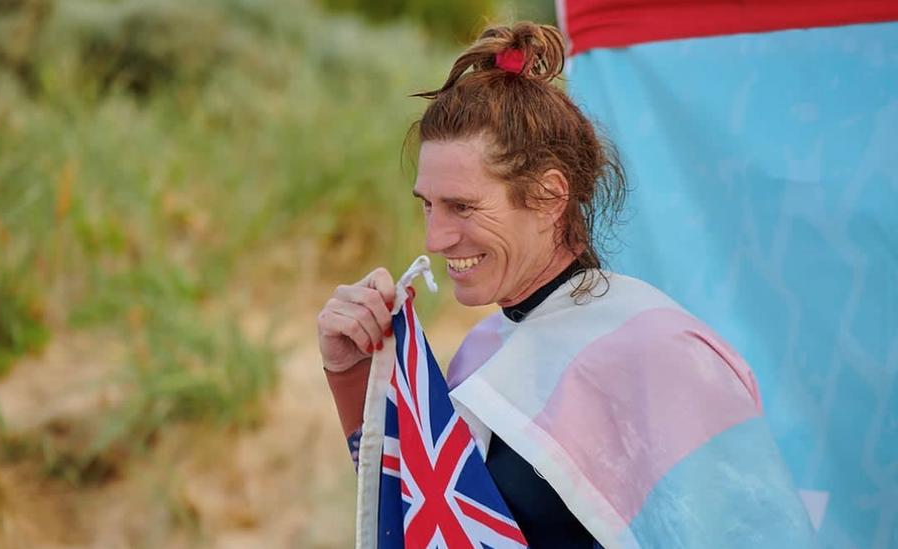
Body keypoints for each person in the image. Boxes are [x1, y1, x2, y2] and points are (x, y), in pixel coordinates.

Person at [317, 21, 817, 549]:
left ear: (550, 196)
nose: (436, 239)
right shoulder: (483, 352)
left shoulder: (666, 355)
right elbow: (433, 522)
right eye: (427, 204)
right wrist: (352, 373)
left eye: (461, 206)